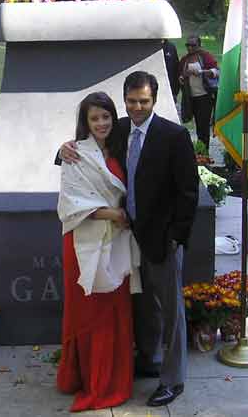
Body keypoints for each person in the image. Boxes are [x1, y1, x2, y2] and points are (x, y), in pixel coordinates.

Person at [59, 71, 199, 407]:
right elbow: (90, 147)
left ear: (155, 99)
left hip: (161, 239)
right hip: (125, 239)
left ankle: (172, 379)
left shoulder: (174, 135)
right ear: (125, 100)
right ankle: (149, 360)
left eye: (144, 101)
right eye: (132, 101)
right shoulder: (120, 128)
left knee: (170, 311)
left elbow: (188, 192)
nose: (138, 107)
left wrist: (176, 237)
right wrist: (62, 149)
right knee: (143, 305)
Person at [56, 91, 141, 412]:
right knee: (89, 312)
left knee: (114, 312)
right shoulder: (75, 153)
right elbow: (70, 202)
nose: (102, 123)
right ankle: (87, 379)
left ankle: (113, 378)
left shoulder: (122, 147)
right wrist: (113, 215)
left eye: (106, 116)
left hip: (117, 244)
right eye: (95, 118)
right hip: (84, 243)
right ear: (85, 122)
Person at [179, 35, 219, 151]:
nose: (190, 48)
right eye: (188, 45)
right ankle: (199, 152)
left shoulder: (205, 56)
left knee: (203, 127)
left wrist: (201, 72)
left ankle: (204, 153)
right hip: (190, 97)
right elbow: (180, 76)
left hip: (205, 97)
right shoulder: (185, 59)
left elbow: (216, 72)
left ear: (199, 45)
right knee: (196, 126)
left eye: (193, 45)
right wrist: (182, 77)